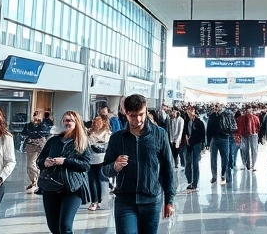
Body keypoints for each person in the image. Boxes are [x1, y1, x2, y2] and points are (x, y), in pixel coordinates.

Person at [102, 94, 176, 234]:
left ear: (146, 110)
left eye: (142, 114)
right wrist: (115, 167)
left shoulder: (160, 134)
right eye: (133, 115)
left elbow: (168, 169)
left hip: (151, 200)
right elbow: (105, 169)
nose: (139, 119)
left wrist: (169, 200)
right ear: (126, 113)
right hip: (125, 200)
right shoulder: (117, 138)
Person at [37, 110, 91, 234]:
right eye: (65, 120)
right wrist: (44, 163)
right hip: (51, 186)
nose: (67, 123)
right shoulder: (53, 140)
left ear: (77, 123)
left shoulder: (82, 142)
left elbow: (85, 165)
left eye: (70, 120)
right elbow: (40, 160)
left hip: (73, 188)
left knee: (65, 225)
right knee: (53, 226)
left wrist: (65, 161)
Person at [21, 112, 52, 191]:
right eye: (35, 115)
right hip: (31, 145)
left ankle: (36, 181)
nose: (36, 118)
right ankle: (34, 181)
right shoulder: (29, 125)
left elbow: (47, 133)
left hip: (40, 145)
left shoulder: (44, 125)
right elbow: (24, 133)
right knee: (30, 164)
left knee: (36, 163)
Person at [87, 114, 111, 211]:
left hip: (102, 160)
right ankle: (94, 201)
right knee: (92, 180)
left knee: (100, 180)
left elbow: (105, 145)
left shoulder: (107, 133)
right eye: (94, 122)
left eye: (97, 122)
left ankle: (100, 200)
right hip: (91, 159)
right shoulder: (89, 132)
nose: (95, 124)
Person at [184, 106, 206, 191]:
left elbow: (202, 134)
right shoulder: (187, 121)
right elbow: (185, 130)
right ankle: (190, 180)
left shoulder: (199, 122)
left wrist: (203, 145)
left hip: (196, 143)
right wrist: (186, 136)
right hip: (189, 144)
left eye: (190, 112)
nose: (189, 114)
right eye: (188, 112)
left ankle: (195, 183)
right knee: (188, 163)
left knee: (195, 163)